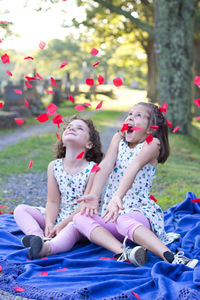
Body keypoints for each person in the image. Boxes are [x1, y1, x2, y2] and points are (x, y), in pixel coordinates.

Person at [73, 102, 198, 268]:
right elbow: (106, 165)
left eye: (138, 115)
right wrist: (95, 194)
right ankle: (125, 252)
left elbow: (134, 165)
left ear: (150, 129)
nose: (130, 117)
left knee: (123, 219)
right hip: (114, 213)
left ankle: (171, 256)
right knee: (79, 218)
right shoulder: (118, 139)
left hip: (140, 213)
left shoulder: (152, 143)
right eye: (129, 114)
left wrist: (117, 196)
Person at [14, 115, 104, 260]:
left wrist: (62, 224)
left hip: (79, 219)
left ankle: (47, 249)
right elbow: (53, 201)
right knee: (20, 209)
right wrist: (50, 223)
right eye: (69, 127)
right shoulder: (54, 167)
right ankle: (38, 237)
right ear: (62, 141)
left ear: (89, 144)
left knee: (72, 228)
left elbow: (83, 208)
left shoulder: (92, 169)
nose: (71, 128)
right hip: (59, 215)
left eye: (79, 128)